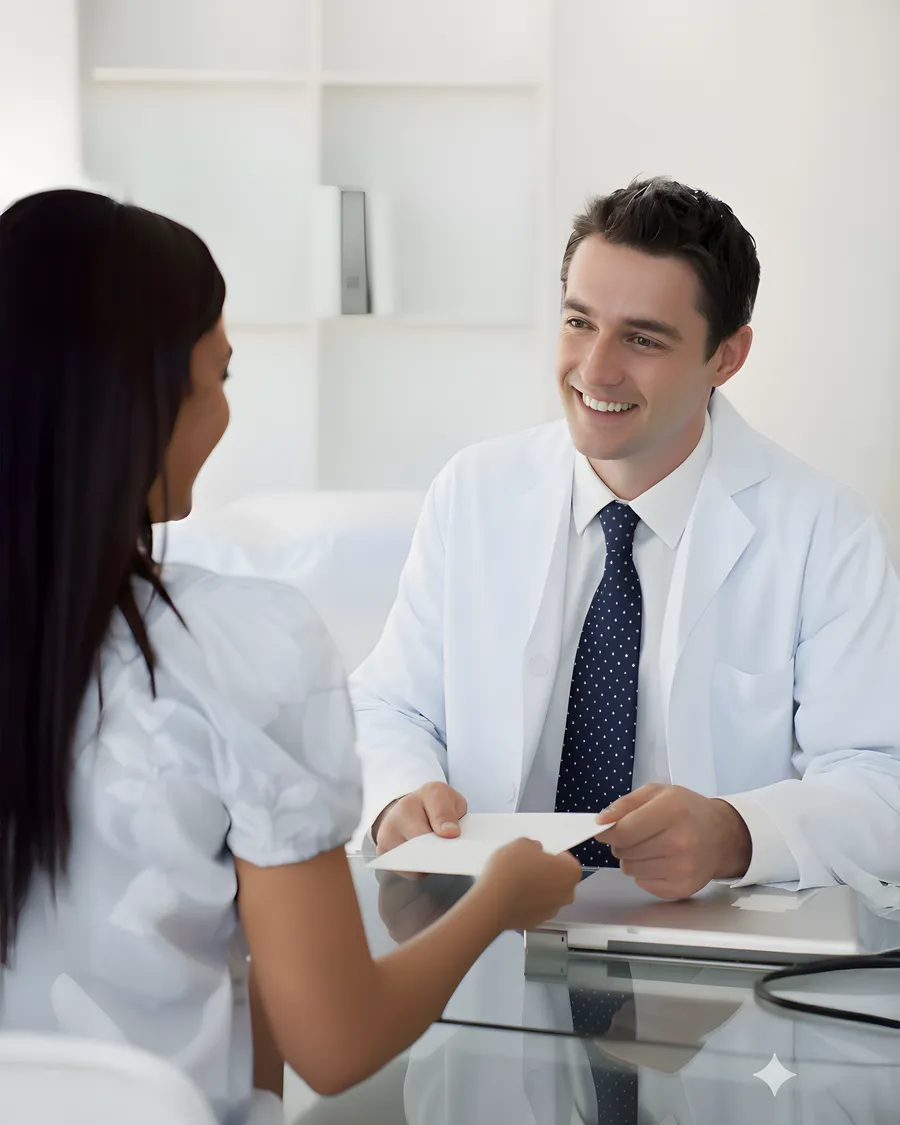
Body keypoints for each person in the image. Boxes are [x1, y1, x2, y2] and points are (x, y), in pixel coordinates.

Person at [0, 189, 582, 1125]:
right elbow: (336, 1041)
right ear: (141, 397)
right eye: (218, 377)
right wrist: (500, 895)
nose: (225, 412)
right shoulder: (239, 647)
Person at [352, 176, 900, 903]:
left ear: (727, 358)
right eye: (579, 322)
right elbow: (391, 704)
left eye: (642, 338)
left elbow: (879, 780)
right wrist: (399, 793)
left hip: (712, 951)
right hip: (485, 928)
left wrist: (737, 831)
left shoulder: (824, 532)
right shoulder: (474, 491)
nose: (596, 368)